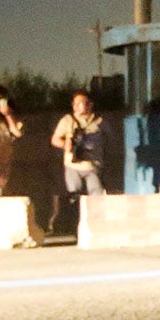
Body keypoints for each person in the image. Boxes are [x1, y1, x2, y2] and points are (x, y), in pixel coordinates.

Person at [50, 89, 108, 226]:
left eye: (83, 103)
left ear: (90, 104)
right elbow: (55, 139)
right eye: (76, 103)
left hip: (93, 165)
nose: (80, 106)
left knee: (97, 196)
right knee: (73, 196)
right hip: (73, 165)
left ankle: (98, 224)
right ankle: (74, 225)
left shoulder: (100, 121)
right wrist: (68, 145)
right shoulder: (68, 120)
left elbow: (110, 139)